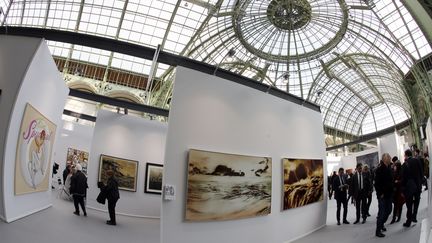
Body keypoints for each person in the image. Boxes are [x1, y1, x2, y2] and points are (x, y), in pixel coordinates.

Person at [402, 149, 423, 226]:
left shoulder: (404, 164)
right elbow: (421, 172)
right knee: (417, 201)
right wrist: (420, 183)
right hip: (417, 185)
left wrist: (403, 189)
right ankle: (414, 215)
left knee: (409, 204)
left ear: (406, 155)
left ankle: (409, 221)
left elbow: (403, 178)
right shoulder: (417, 160)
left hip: (409, 187)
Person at [374, 153, 393, 238]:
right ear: (385, 159)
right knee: (381, 213)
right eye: (389, 157)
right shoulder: (379, 169)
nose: (390, 159)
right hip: (382, 195)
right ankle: (378, 231)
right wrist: (381, 193)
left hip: (389, 194)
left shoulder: (388, 168)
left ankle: (381, 224)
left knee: (389, 210)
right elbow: (376, 184)